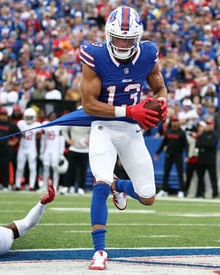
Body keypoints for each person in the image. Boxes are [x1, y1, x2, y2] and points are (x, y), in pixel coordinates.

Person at [79, 6, 168, 270]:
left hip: (131, 130)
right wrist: (129, 110)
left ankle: (120, 186)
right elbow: (88, 105)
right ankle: (99, 252)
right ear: (108, 34)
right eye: (118, 37)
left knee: (148, 196)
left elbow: (160, 86)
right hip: (103, 127)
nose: (122, 43)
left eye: (128, 39)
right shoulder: (94, 55)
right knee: (100, 183)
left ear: (138, 37)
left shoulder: (149, 54)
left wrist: (162, 105)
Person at [154, 116, 187, 198]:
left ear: (178, 122)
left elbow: (186, 145)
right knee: (166, 173)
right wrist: (157, 153)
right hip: (169, 155)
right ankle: (164, 190)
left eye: (176, 121)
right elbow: (163, 143)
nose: (174, 123)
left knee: (180, 173)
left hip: (178, 155)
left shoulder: (182, 133)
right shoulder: (168, 132)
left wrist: (187, 155)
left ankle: (181, 191)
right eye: (173, 121)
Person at [60, 121, 90, 195]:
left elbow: (95, 132)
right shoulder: (74, 121)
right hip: (74, 148)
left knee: (83, 170)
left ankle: (81, 187)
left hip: (85, 149)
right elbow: (64, 130)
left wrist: (91, 141)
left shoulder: (89, 121)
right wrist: (68, 140)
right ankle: (66, 186)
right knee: (70, 168)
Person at [15, 108, 41, 191]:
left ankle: (31, 185)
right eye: (27, 117)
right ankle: (17, 185)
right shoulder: (21, 123)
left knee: (32, 168)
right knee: (20, 168)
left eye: (31, 117)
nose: (29, 119)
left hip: (32, 149)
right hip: (22, 148)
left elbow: (38, 135)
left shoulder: (37, 124)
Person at [196, 119, 219, 198]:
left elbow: (212, 145)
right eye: (208, 124)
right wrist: (205, 144)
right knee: (200, 177)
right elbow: (198, 144)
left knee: (213, 177)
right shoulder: (202, 134)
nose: (209, 126)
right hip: (202, 159)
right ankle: (200, 193)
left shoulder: (215, 135)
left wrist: (204, 144)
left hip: (211, 159)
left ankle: (215, 194)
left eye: (210, 124)